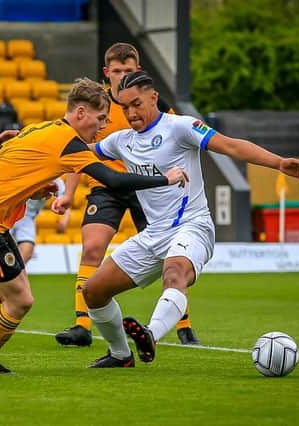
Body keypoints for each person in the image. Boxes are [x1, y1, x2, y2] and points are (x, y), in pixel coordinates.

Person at [0, 77, 186, 374]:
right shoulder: (68, 142)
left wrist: (32, 183)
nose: (103, 125)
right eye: (100, 118)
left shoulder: (43, 127)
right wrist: (164, 178)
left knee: (11, 294)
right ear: (81, 113)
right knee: (20, 300)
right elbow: (113, 180)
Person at [81, 71, 299, 368]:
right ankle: (120, 354)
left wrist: (279, 162)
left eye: (136, 104)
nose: (130, 113)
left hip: (192, 226)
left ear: (153, 98)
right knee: (93, 291)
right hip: (153, 234)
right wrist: (34, 144)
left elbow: (231, 146)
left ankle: (150, 336)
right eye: (124, 107)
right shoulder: (120, 141)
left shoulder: (181, 127)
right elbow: (77, 154)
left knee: (174, 273)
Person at [53, 42, 200, 347]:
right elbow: (73, 152)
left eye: (128, 71)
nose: (122, 76)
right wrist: (67, 194)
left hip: (147, 185)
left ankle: (183, 324)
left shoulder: (154, 108)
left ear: (139, 71)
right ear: (106, 73)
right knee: (92, 247)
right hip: (106, 186)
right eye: (116, 71)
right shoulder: (96, 107)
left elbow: (175, 144)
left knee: (170, 252)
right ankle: (82, 323)